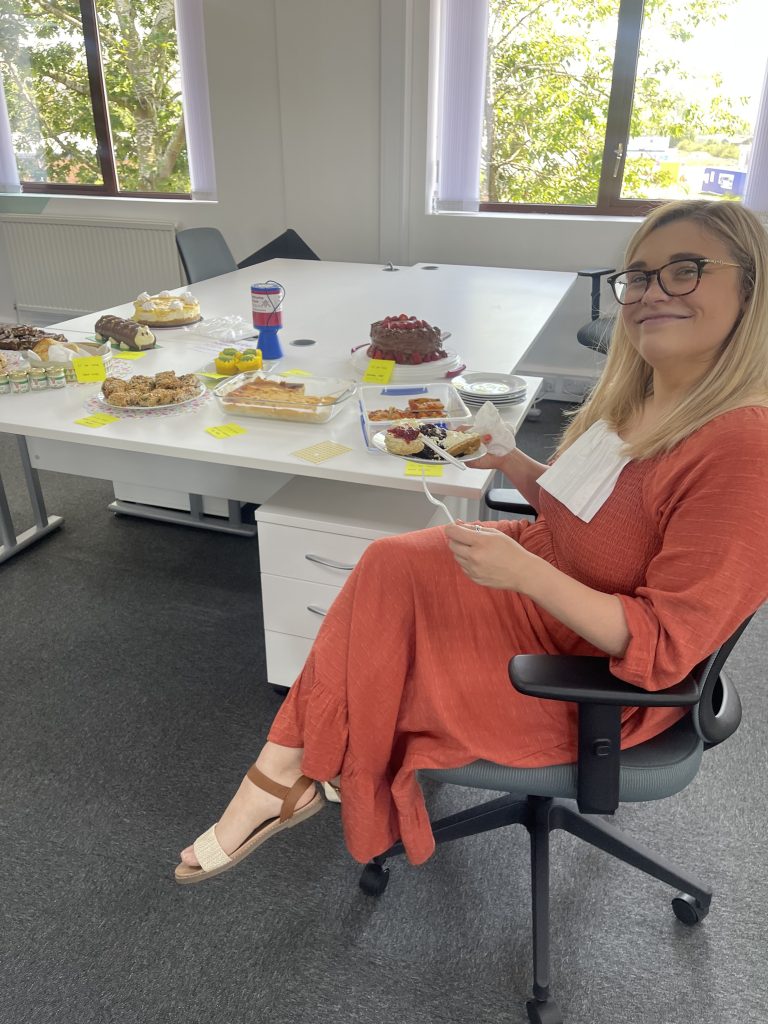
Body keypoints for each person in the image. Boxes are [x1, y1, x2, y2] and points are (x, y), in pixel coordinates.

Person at [176, 200, 768, 883]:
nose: (650, 293)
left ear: (750, 289)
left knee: (381, 645)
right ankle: (294, 769)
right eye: (637, 277)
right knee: (386, 565)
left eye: (685, 272)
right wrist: (516, 464)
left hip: (592, 670)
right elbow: (596, 512)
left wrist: (524, 574)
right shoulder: (652, 393)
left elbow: (664, 647)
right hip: (551, 577)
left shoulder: (741, 448)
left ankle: (280, 781)